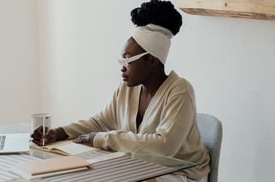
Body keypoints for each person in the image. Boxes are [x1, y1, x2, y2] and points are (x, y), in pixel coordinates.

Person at [31, 1, 210, 181]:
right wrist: (60, 132)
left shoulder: (180, 91)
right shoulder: (127, 90)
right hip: (143, 167)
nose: (122, 68)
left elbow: (164, 146)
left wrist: (103, 139)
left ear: (152, 61)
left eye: (128, 60)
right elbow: (100, 122)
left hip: (180, 174)